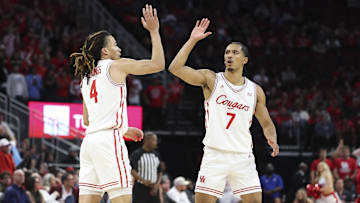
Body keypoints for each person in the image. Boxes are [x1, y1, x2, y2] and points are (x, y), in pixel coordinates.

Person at [168, 18, 279, 203]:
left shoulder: (255, 91)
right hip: (215, 154)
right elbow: (175, 68)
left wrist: (272, 137)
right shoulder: (212, 80)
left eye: (235, 52)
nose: (229, 55)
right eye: (227, 52)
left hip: (243, 156)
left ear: (244, 60)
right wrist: (192, 40)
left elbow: (266, 122)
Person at [70, 4, 165, 203]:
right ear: (105, 51)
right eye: (115, 44)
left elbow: (88, 119)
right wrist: (154, 32)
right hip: (108, 141)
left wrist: (123, 128)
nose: (119, 48)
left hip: (89, 143)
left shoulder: (86, 78)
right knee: (122, 199)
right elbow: (157, 64)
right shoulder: (116, 65)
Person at [130, 132, 162, 203]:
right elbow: (132, 170)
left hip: (154, 188)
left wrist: (157, 185)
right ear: (147, 140)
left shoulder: (156, 154)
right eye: (154, 140)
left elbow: (159, 172)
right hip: (140, 188)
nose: (156, 143)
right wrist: (143, 180)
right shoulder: (137, 154)